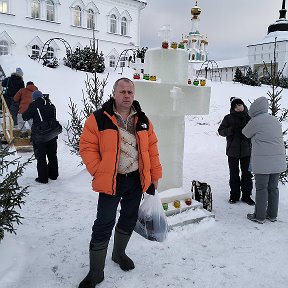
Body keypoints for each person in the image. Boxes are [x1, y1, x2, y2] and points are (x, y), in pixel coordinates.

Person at [78, 77, 162, 287]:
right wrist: (100, 171)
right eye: (122, 91)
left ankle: (119, 254)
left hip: (135, 180)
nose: (126, 96)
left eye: (130, 92)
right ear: (114, 93)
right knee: (103, 223)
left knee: (128, 217)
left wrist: (154, 176)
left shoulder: (142, 120)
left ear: (134, 95)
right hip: (111, 181)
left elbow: (152, 149)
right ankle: (96, 272)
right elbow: (87, 146)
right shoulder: (99, 119)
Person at [242, 97, 286, 224]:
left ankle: (259, 216)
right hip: (278, 160)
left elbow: (245, 133)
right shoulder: (274, 120)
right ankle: (272, 215)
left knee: (261, 188)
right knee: (273, 188)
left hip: (263, 163)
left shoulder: (255, 121)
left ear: (254, 109)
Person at [218, 97, 254, 205]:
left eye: (240, 105)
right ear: (233, 107)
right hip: (232, 151)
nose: (239, 107)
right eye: (237, 106)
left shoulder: (249, 118)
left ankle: (246, 196)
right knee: (234, 174)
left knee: (247, 174)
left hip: (246, 152)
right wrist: (231, 130)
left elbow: (255, 132)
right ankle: (234, 196)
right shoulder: (228, 118)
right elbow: (221, 131)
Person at [22, 90, 59, 184]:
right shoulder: (51, 105)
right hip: (52, 134)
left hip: (40, 135)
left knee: (41, 156)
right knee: (52, 155)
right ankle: (53, 175)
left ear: (34, 98)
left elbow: (25, 116)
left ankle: (43, 178)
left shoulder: (34, 105)